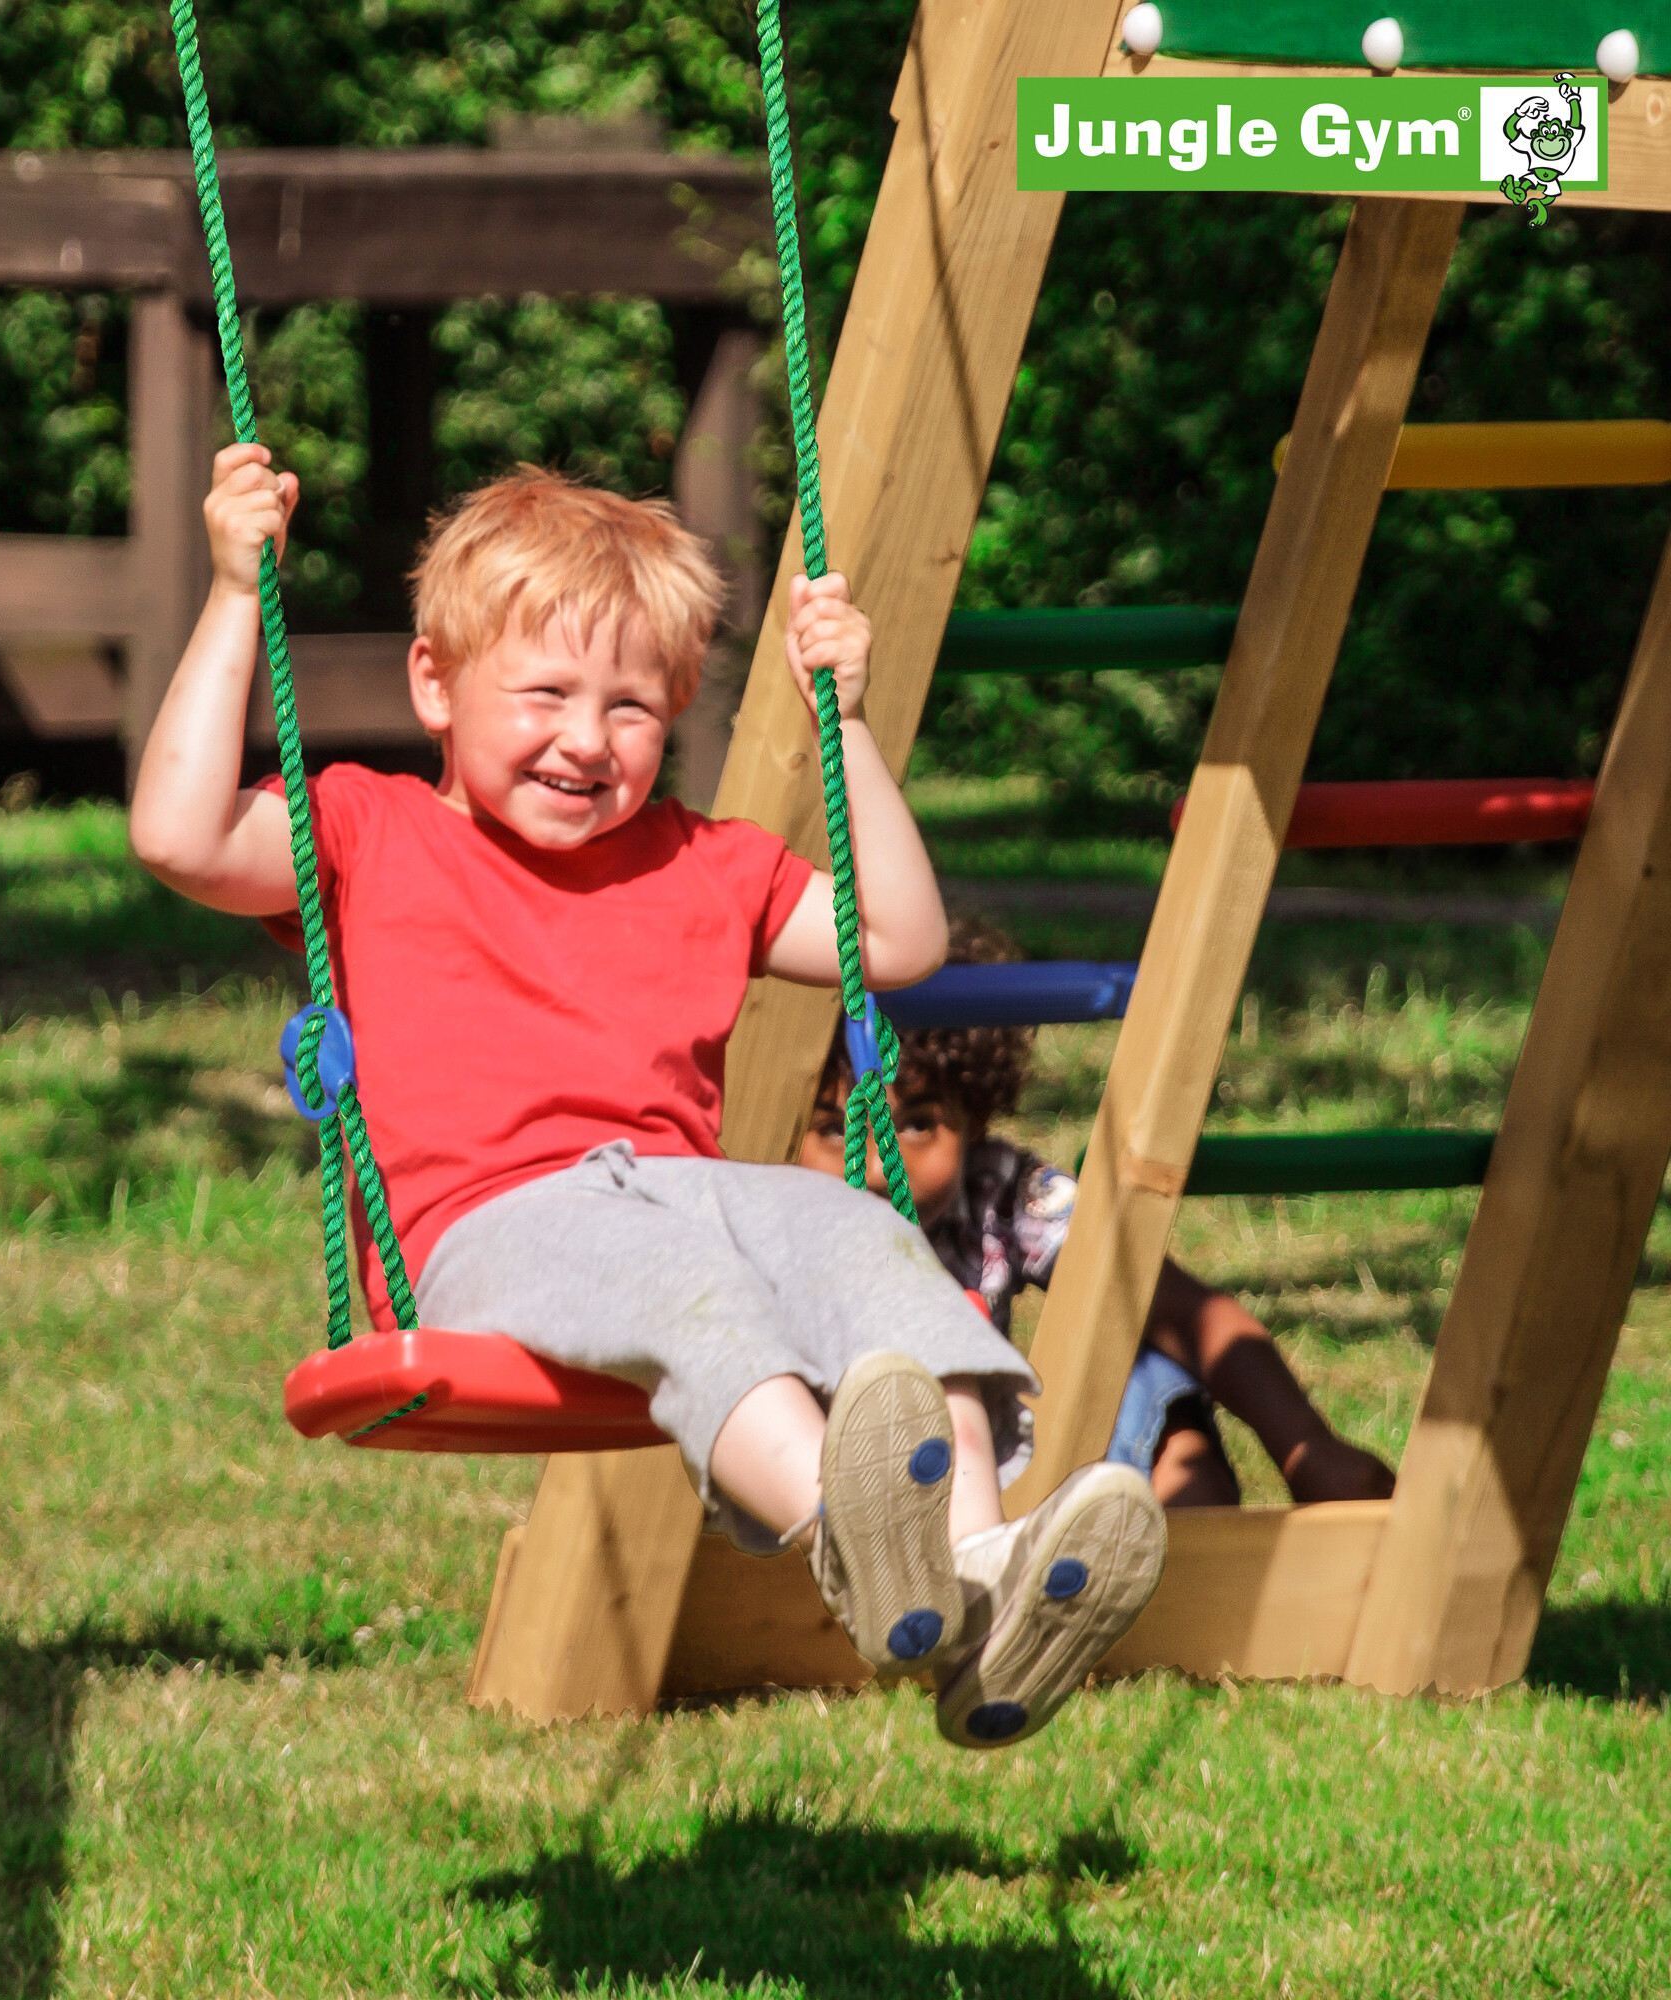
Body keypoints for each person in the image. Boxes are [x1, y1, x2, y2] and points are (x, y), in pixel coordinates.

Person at [130, 445, 1165, 1752]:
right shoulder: (367, 834)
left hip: (688, 1199)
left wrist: (843, 724)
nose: (586, 738)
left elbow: (897, 943)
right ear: (433, 684)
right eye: (546, 692)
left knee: (862, 1234)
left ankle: (976, 1567)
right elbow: (177, 835)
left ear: (676, 710)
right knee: (689, 1288)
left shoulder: (698, 863)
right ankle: (852, 1535)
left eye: (631, 707)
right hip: (495, 1229)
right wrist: (235, 591)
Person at [799, 930, 1398, 1508]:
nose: (878, 1168)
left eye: (916, 1124)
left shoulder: (997, 1191)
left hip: (988, 1480)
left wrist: (1308, 1448)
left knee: (1146, 1360)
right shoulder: (777, 1212)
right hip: (826, 1480)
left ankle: (1182, 1554)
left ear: (974, 1117)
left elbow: (1183, 1310)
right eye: (834, 1129)